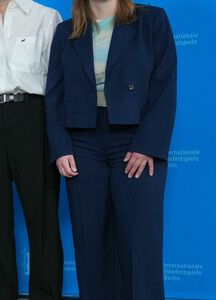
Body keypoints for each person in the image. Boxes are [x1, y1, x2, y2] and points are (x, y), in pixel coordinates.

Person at [45, 0, 176, 298]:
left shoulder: (151, 20)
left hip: (135, 140)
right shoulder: (66, 32)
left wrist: (147, 144)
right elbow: (55, 93)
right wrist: (61, 147)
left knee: (140, 245)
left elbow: (164, 84)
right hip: (82, 144)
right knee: (90, 244)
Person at [0, 0, 64, 298]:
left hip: (32, 115)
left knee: (42, 213)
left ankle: (45, 294)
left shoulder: (46, 17)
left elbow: (56, 78)